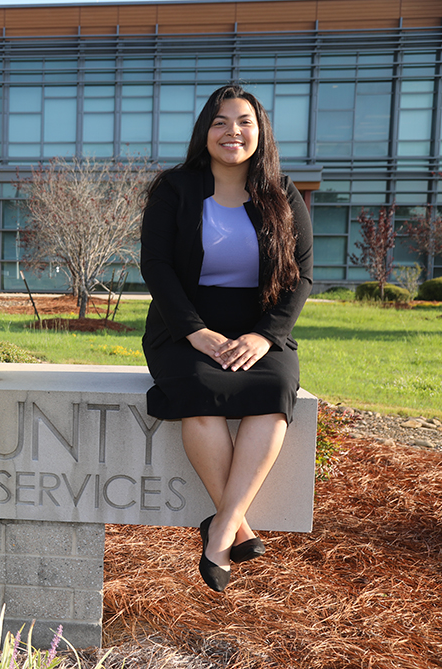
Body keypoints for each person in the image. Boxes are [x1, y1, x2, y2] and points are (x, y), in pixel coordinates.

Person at [140, 84, 313, 593]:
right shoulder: (174, 188)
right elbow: (156, 265)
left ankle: (220, 529)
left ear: (260, 133)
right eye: (220, 122)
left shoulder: (282, 193)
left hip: (259, 327)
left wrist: (265, 336)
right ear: (205, 131)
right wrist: (194, 331)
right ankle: (238, 529)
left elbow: (302, 275)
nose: (231, 132)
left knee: (273, 391)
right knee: (198, 390)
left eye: (243, 122)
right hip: (182, 325)